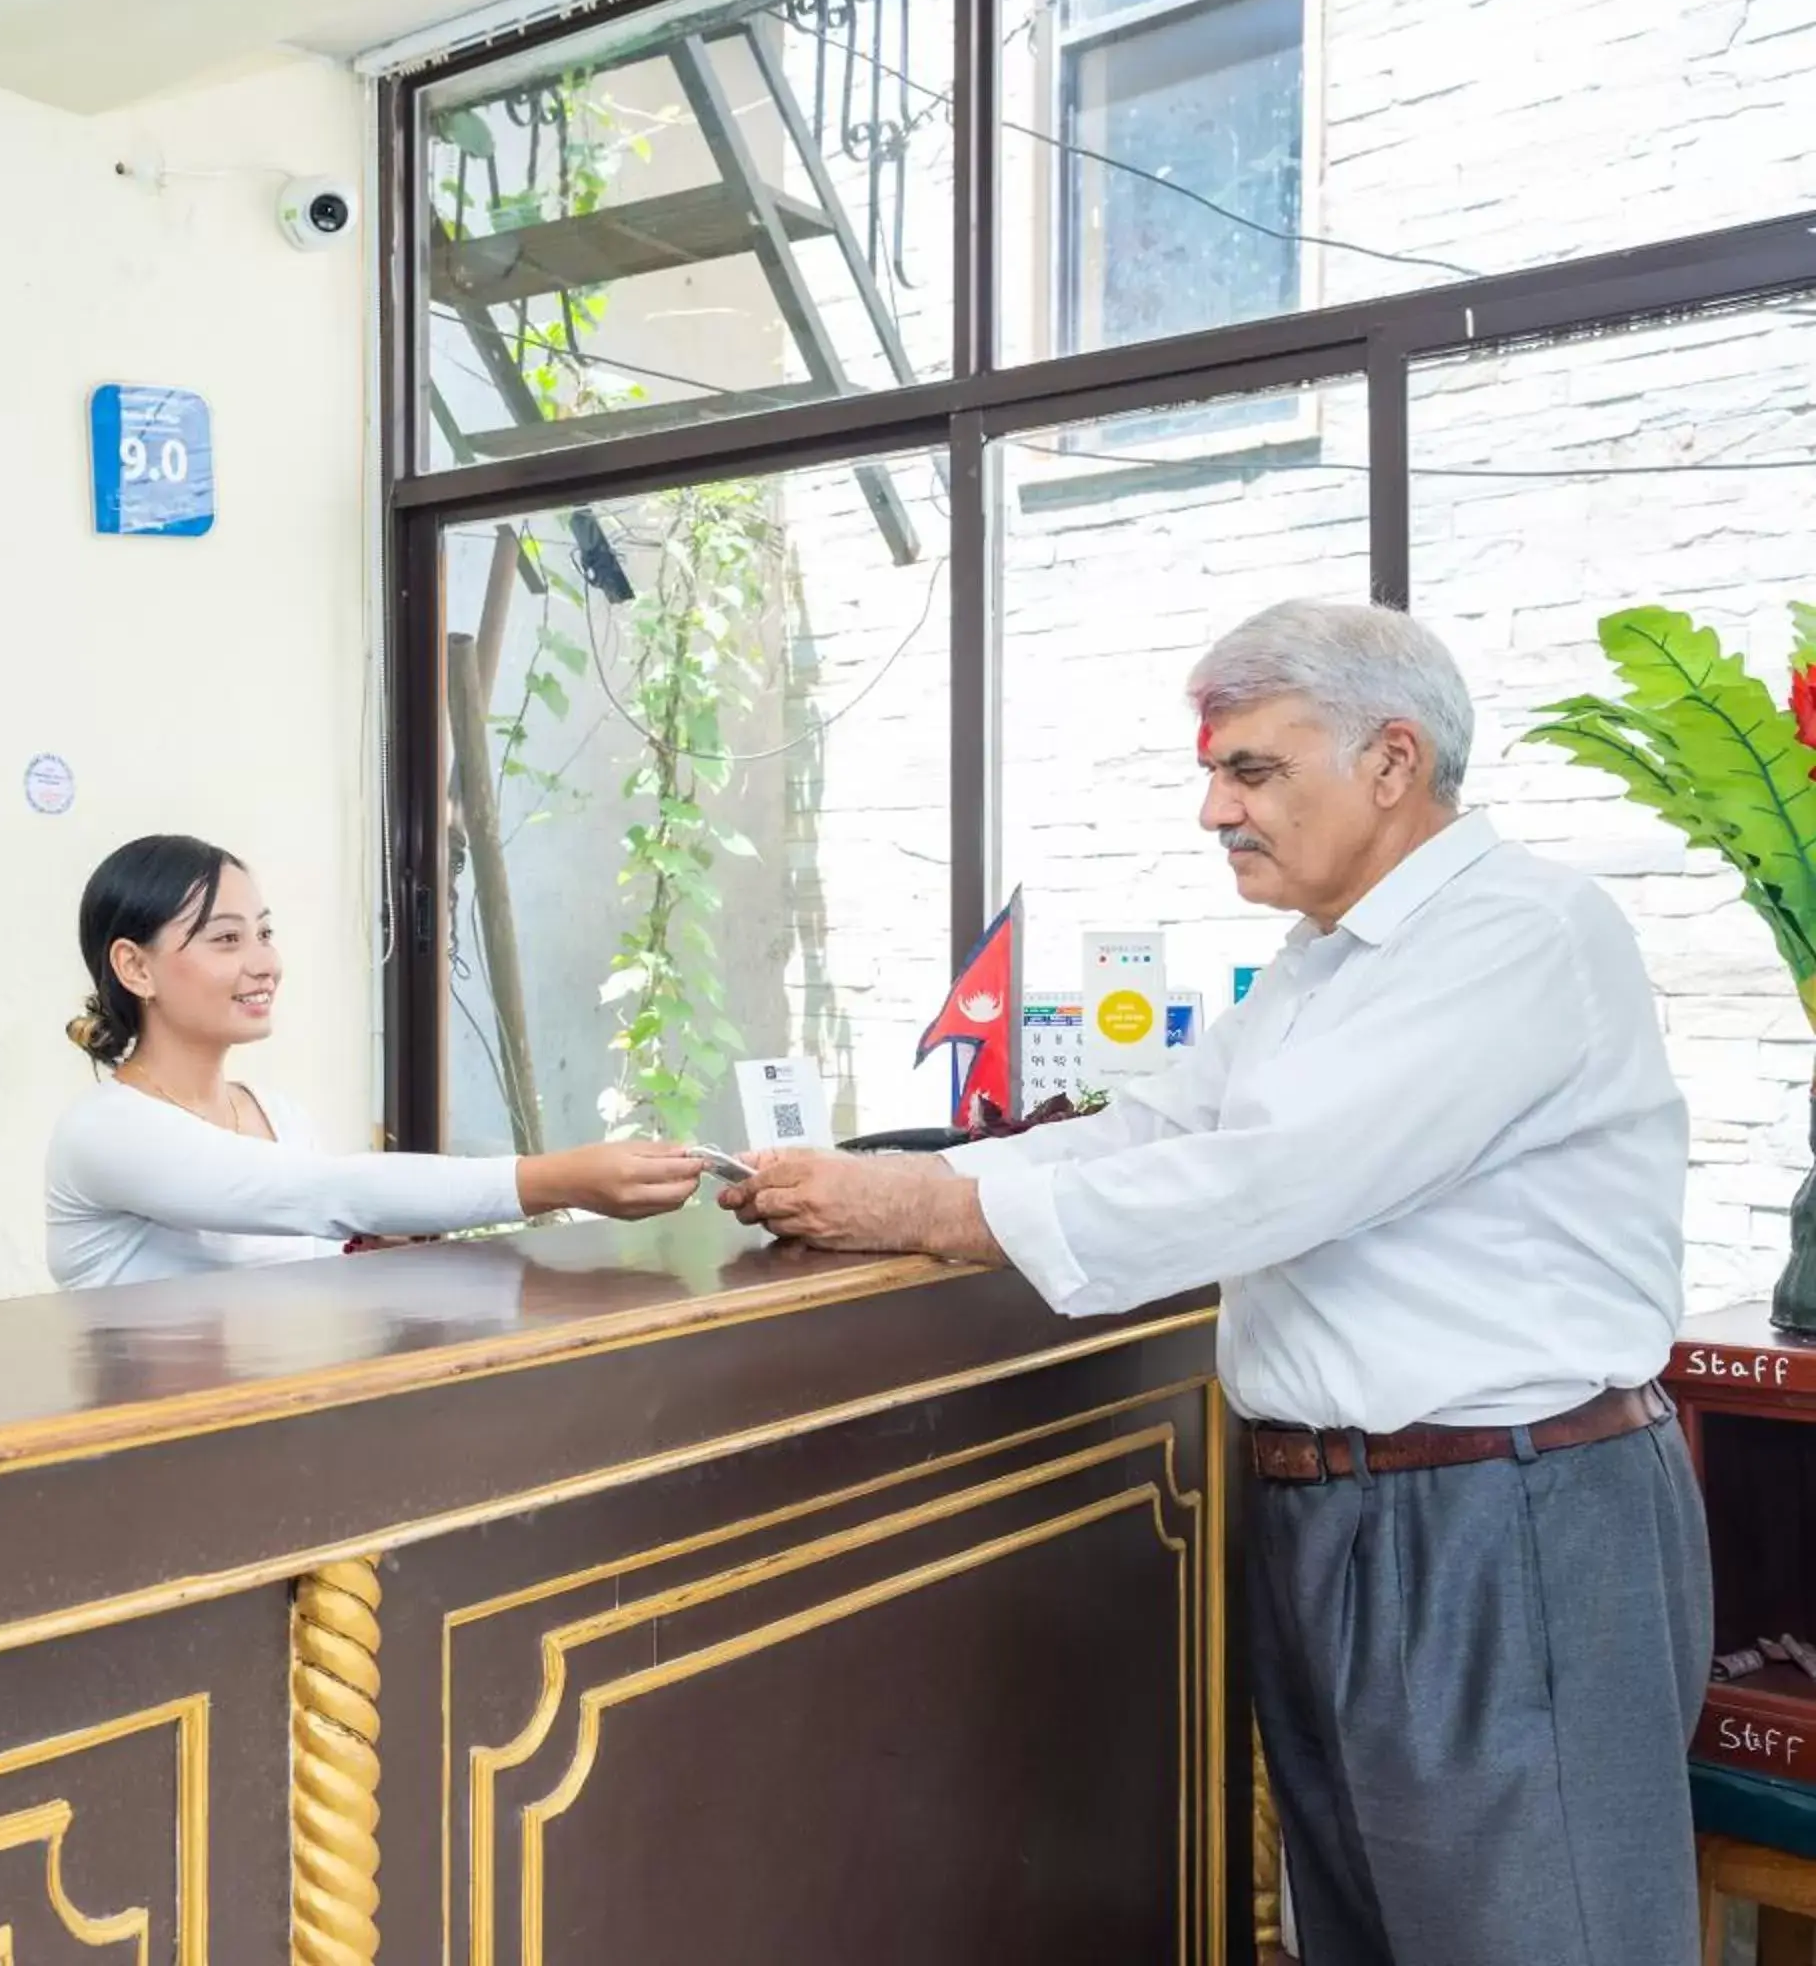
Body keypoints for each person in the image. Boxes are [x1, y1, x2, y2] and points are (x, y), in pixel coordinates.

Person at [720, 600, 1708, 1966]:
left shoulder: (1524, 932)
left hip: (1505, 1518)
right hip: (1340, 1516)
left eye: (1251, 770)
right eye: (1214, 772)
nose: (1213, 811)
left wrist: (944, 1210)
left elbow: (1281, 1178)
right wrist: (906, 1176)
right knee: (1362, 1933)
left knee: (1540, 1938)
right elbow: (1164, 1129)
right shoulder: (1326, 962)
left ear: (1391, 760)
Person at [47, 834, 705, 1289]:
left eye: (266, 934)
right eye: (226, 939)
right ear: (135, 966)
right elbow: (324, 1195)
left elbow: (307, 1267)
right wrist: (561, 1179)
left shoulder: (280, 1118)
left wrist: (363, 1258)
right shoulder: (106, 1132)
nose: (264, 963)